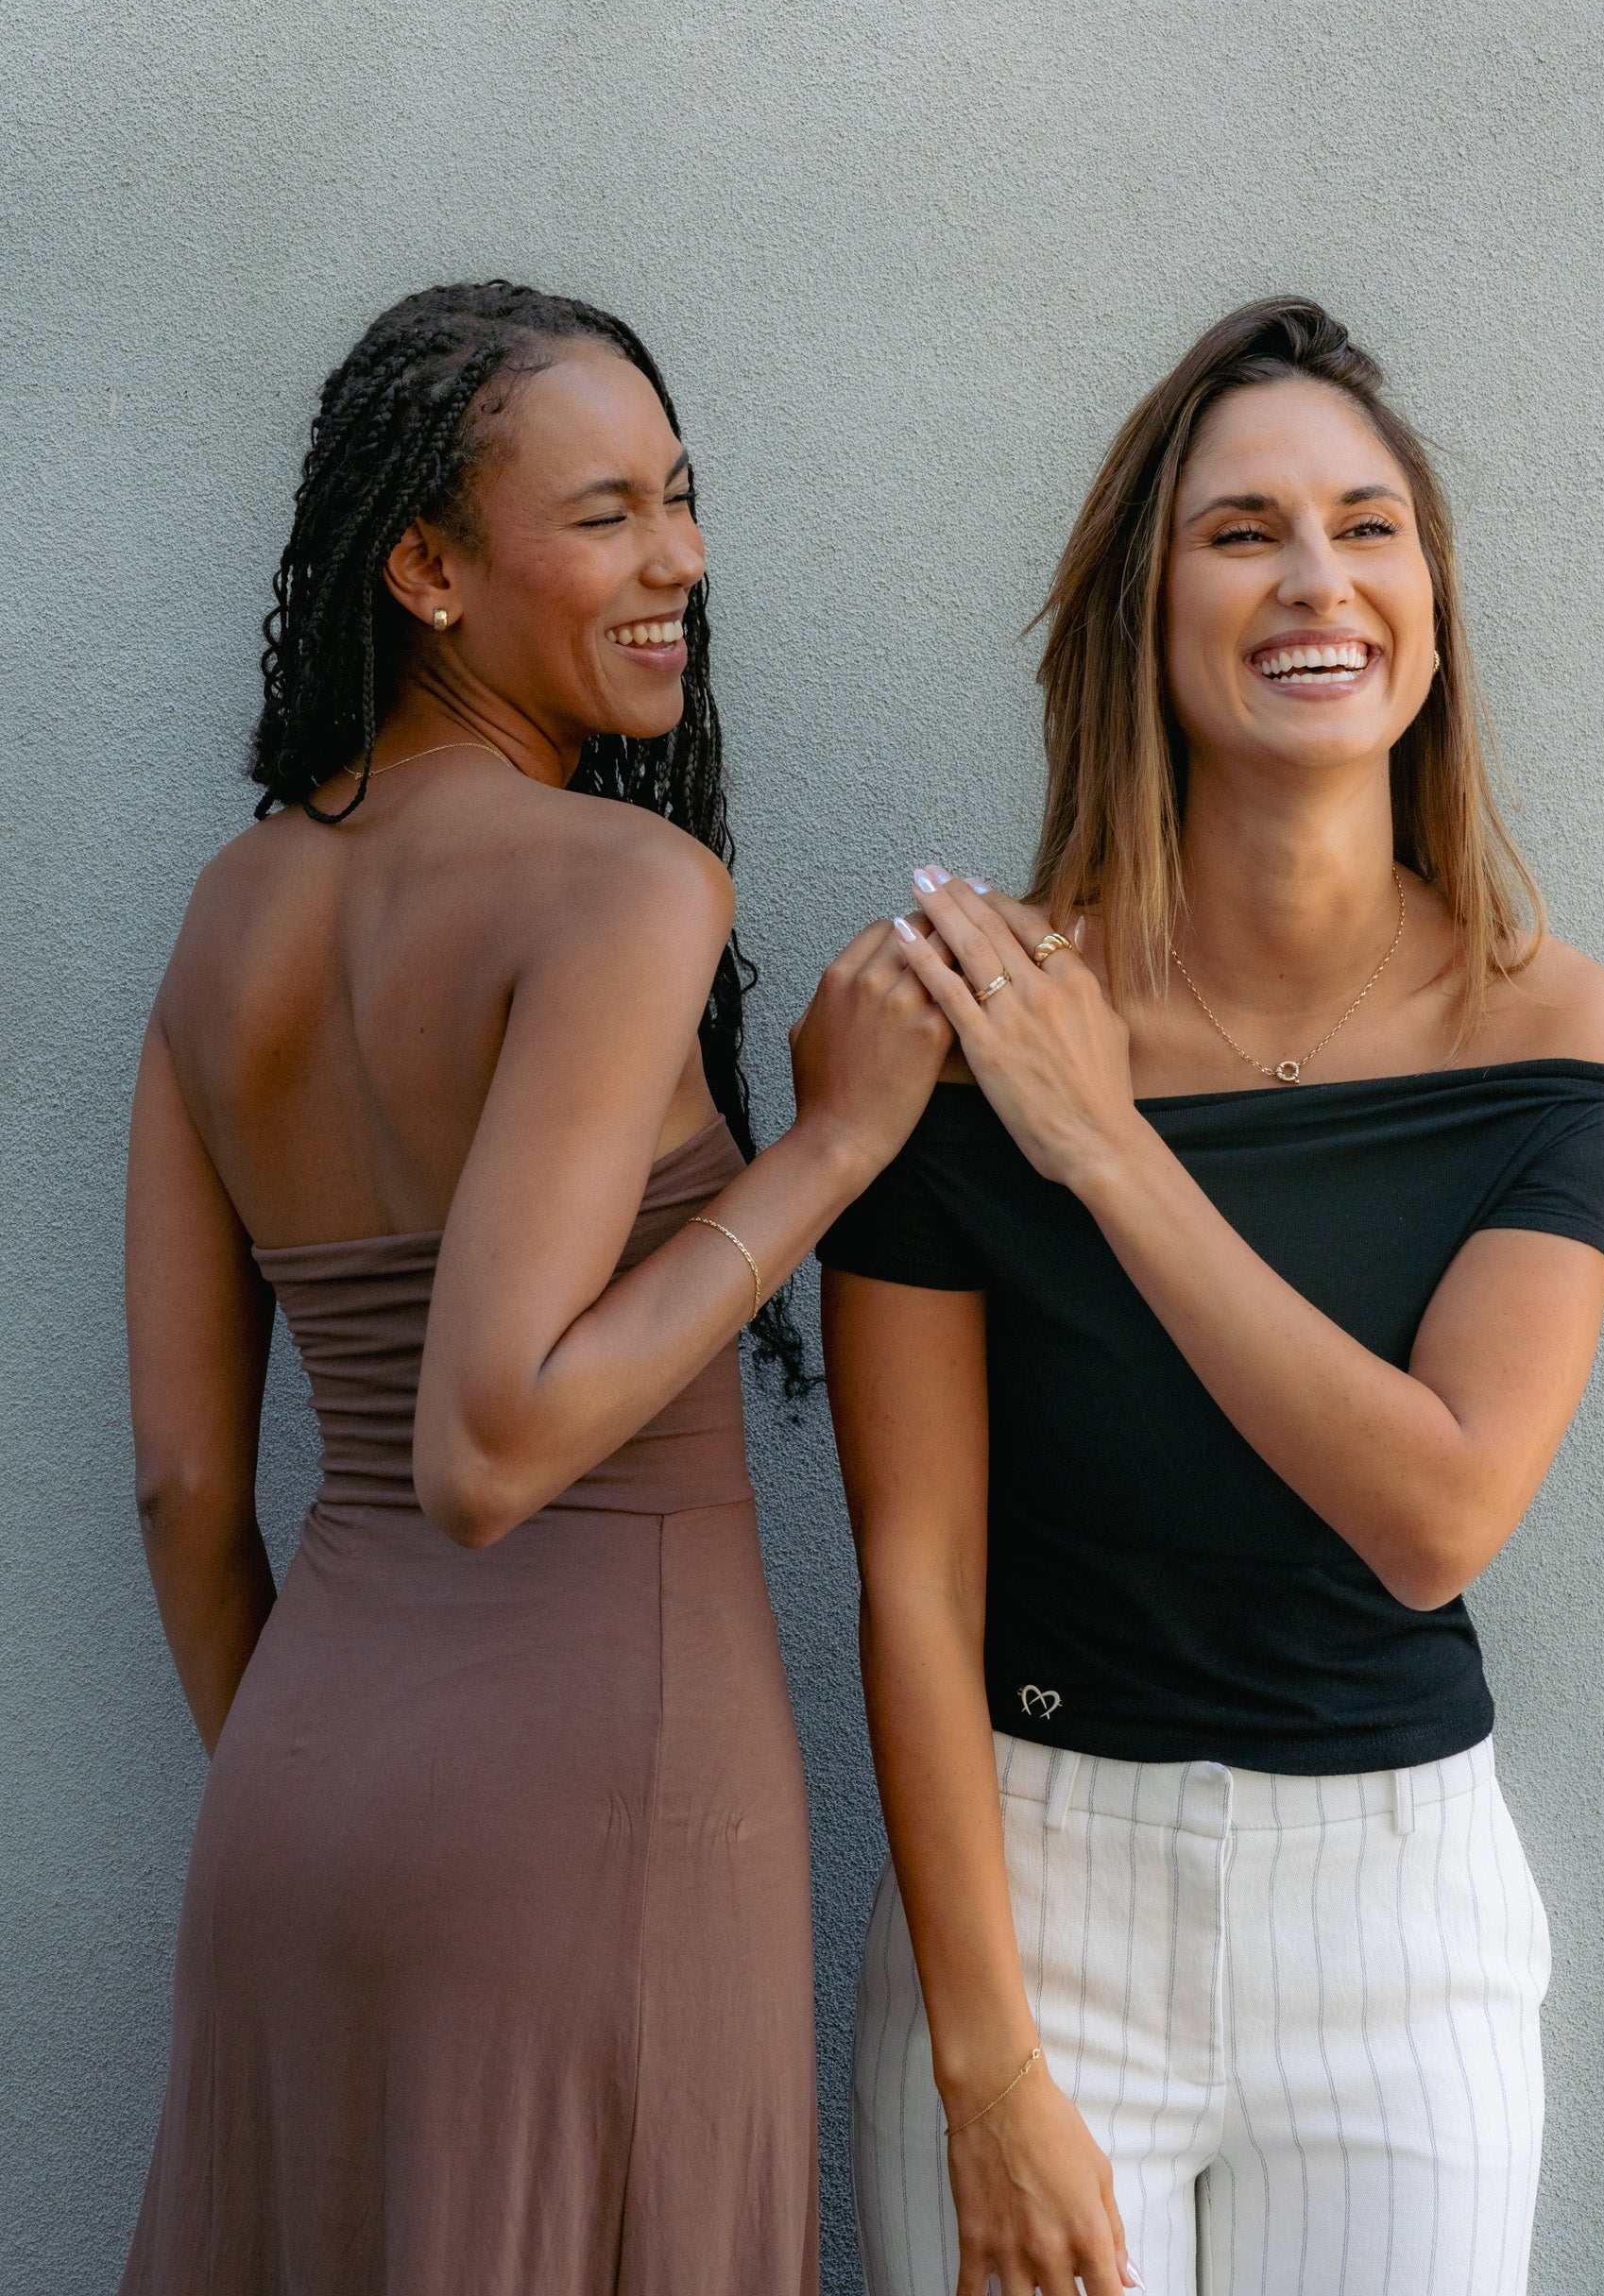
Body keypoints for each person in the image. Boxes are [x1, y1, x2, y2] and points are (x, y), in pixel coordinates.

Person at [121, 281, 949, 2296]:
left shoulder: (230, 913)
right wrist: (830, 1149)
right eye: (604, 514)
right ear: (424, 568)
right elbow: (490, 1446)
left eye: (679, 496)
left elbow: (177, 1488)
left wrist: (334, 1779)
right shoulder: (620, 884)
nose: (677, 559)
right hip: (602, 1812)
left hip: (297, 1802)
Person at [819, 297, 1604, 2296]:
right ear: (1148, 613)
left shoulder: (1545, 1028)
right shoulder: (966, 1023)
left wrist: (1106, 1147)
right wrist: (986, 2069)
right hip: (1032, 1906)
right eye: (1240, 530)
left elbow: (1433, 1516)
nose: (1315, 580)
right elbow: (914, 1583)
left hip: (1398, 1927)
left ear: (1428, 614)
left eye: (1368, 528)